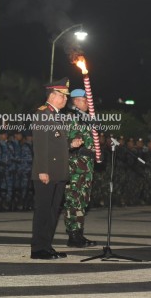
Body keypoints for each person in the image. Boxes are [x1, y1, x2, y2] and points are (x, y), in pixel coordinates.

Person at [31, 77, 83, 260]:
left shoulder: (56, 116)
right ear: (52, 95)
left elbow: (56, 144)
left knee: (53, 212)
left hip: (58, 172)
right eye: (62, 95)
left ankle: (47, 245)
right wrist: (42, 170)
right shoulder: (42, 113)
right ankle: (38, 248)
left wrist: (71, 144)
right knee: (43, 211)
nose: (65, 99)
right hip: (46, 172)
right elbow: (41, 146)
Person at [64, 89, 97, 248]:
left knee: (82, 201)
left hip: (86, 166)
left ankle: (79, 233)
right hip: (75, 166)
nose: (87, 103)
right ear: (76, 101)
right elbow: (67, 140)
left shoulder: (85, 119)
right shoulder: (71, 117)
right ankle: (73, 235)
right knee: (73, 200)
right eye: (84, 100)